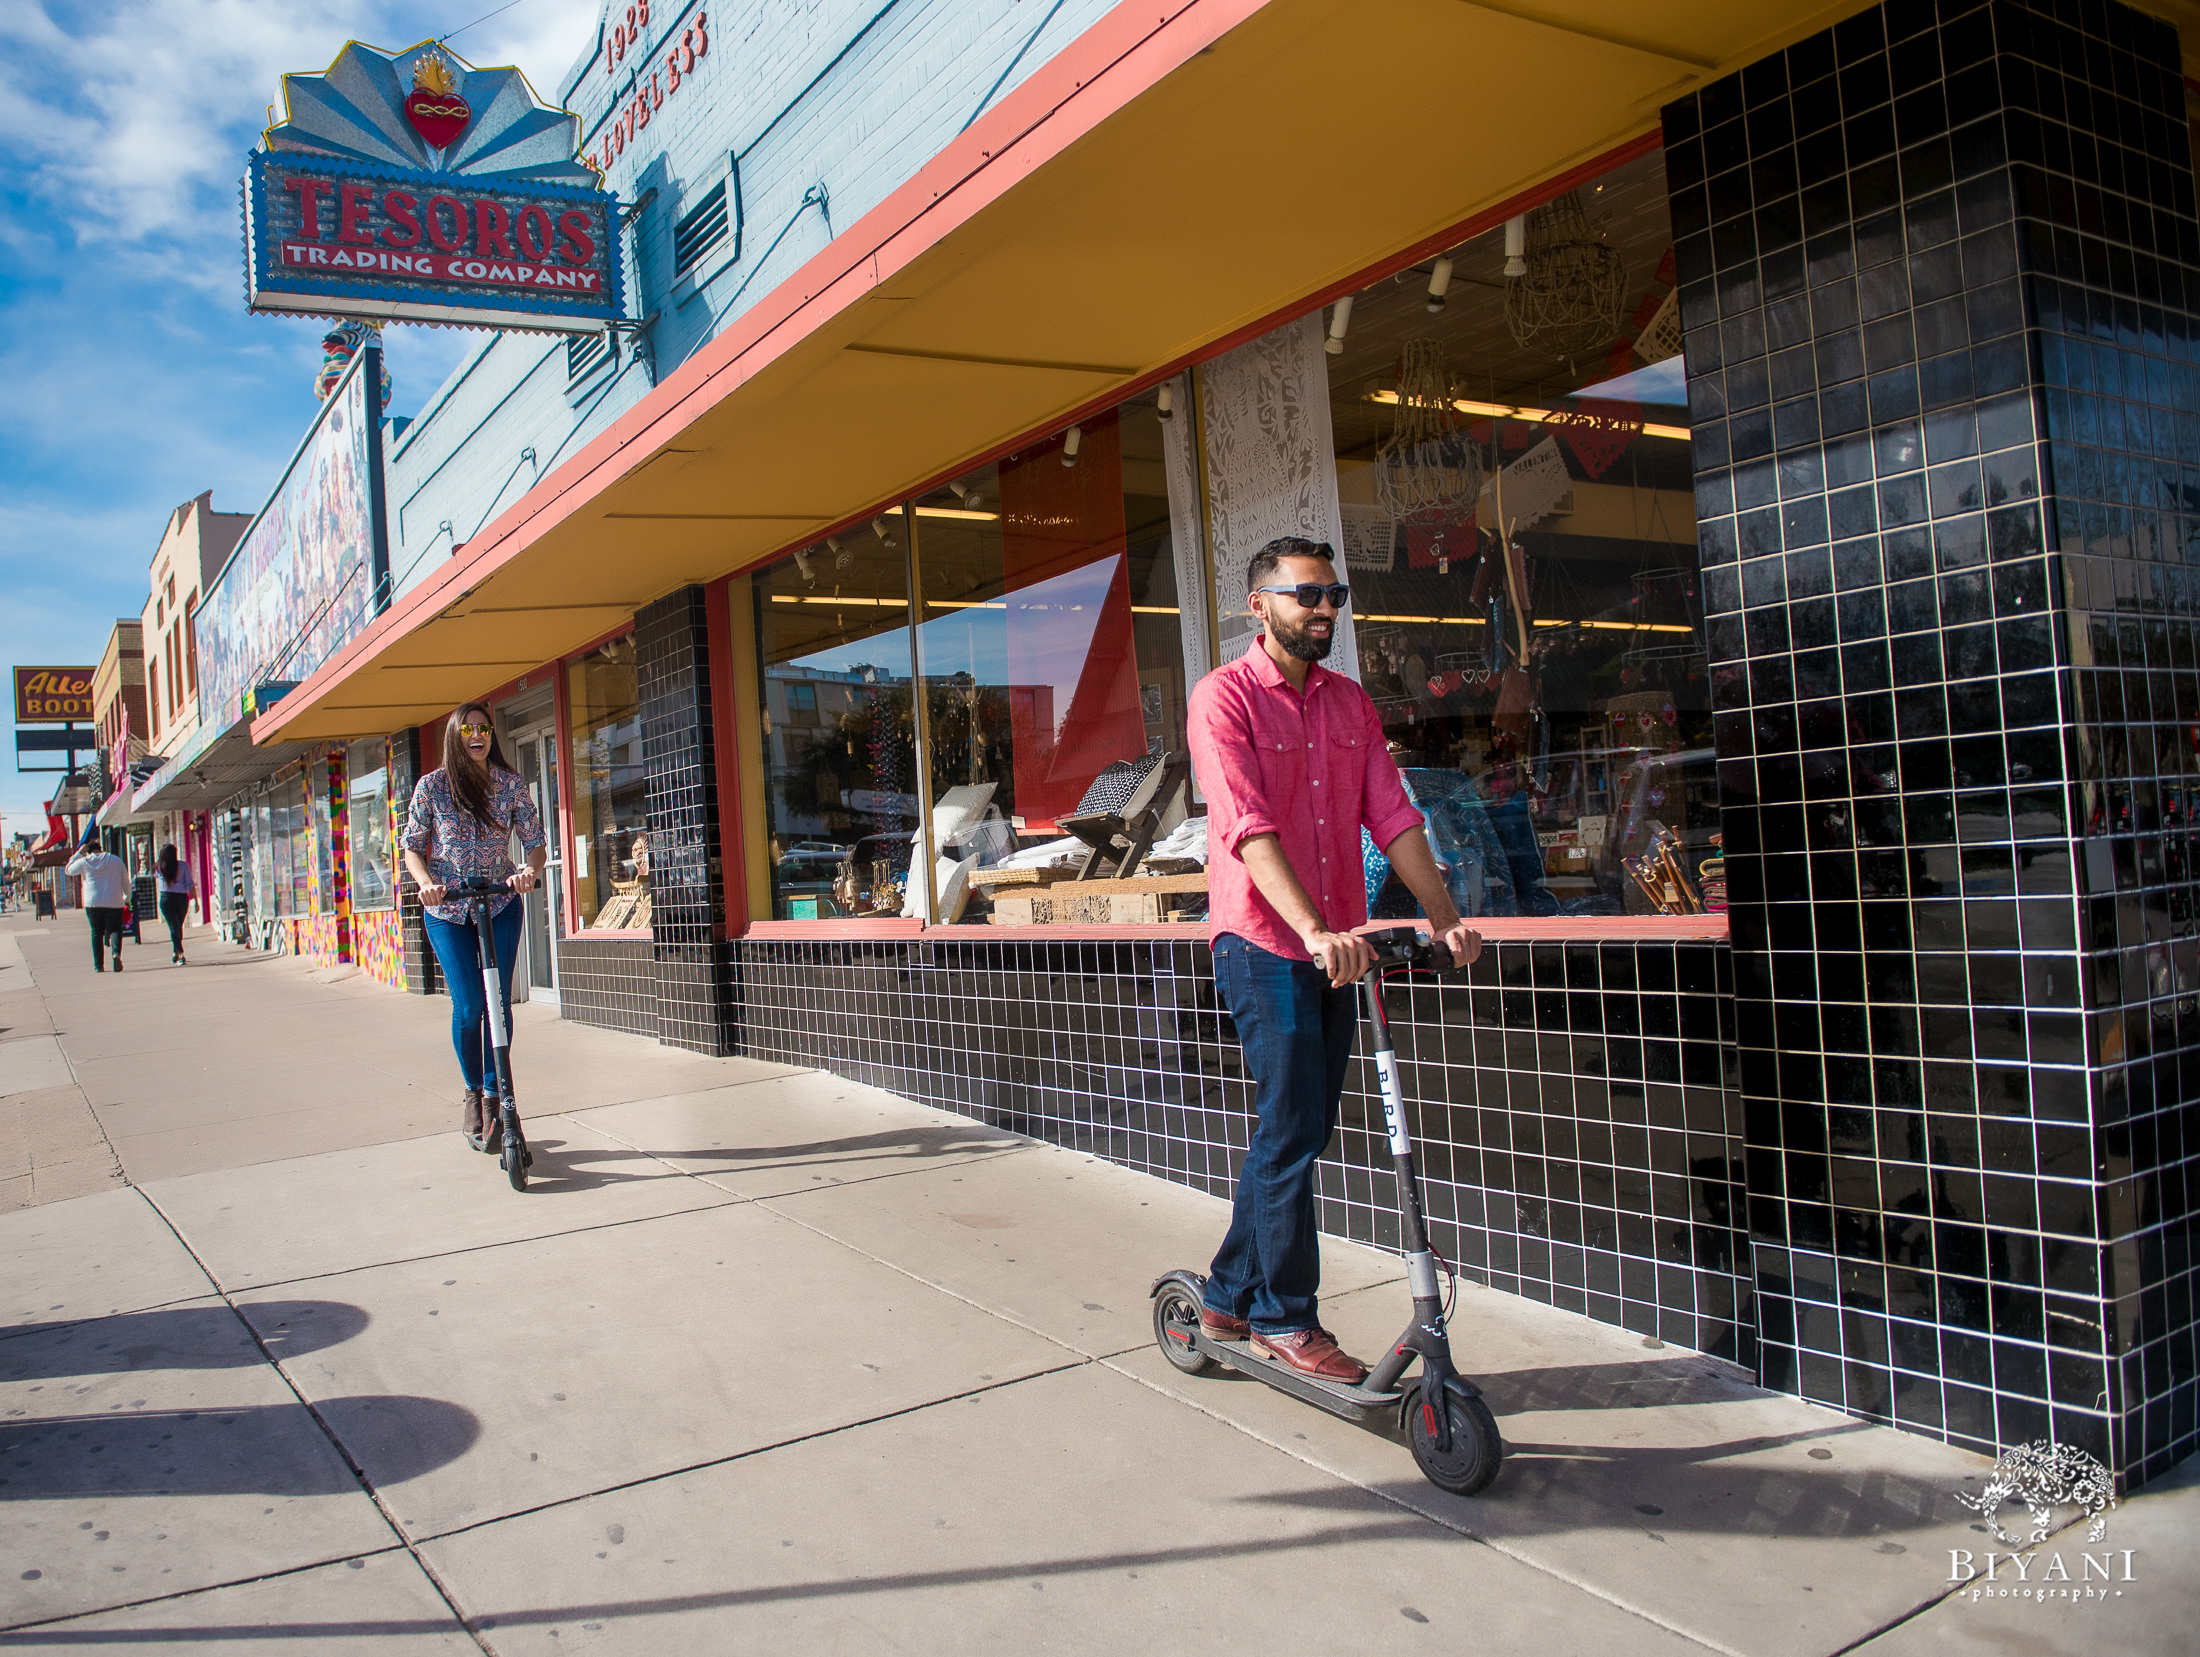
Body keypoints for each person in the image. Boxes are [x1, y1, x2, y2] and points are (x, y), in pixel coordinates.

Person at [1187, 537, 1482, 1383]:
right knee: (1289, 1125)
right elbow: (1246, 828)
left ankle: (1228, 1290)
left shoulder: (1350, 704)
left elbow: (1393, 815)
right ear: (1260, 604)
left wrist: (1445, 918)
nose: (1324, 609)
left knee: (1304, 1127)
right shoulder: (1224, 699)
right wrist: (1315, 929)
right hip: (1264, 942)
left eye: (1334, 595)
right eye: (1307, 594)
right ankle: (1283, 1315)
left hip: (1339, 949)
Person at [401, 704, 547, 1150]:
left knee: (498, 1003)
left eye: (484, 728)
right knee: (468, 1007)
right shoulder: (432, 787)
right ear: (455, 736)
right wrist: (426, 884)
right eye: (469, 729)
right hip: (447, 909)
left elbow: (536, 842)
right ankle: (473, 1091)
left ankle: (494, 1091)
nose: (478, 735)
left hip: (500, 902)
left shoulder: (509, 784)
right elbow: (411, 848)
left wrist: (527, 870)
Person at [64, 834, 130, 974]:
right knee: (115, 930)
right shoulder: (116, 860)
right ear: (101, 849)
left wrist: (78, 854)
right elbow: (125, 881)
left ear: (88, 852)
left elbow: (68, 870)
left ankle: (98, 965)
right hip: (114, 901)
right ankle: (116, 953)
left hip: (93, 903)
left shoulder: (85, 861)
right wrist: (127, 898)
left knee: (96, 933)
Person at [156, 843, 196, 965]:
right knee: (177, 926)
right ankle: (180, 952)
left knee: (175, 926)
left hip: (166, 898)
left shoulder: (159, 867)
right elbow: (190, 884)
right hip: (181, 898)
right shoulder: (183, 866)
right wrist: (195, 900)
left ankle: (176, 952)